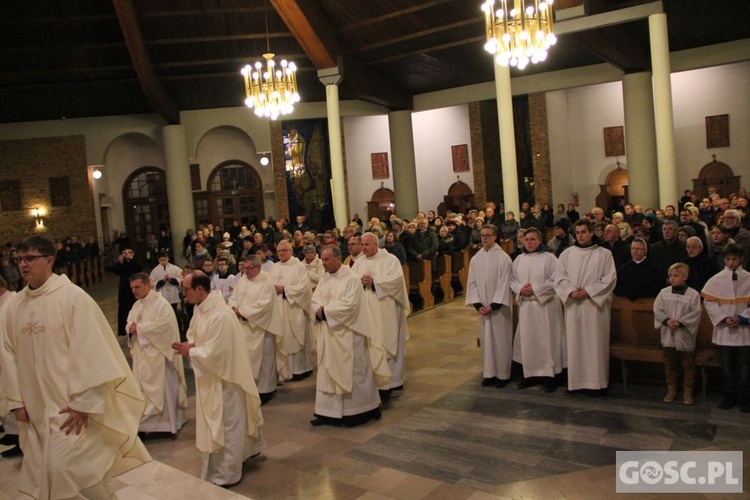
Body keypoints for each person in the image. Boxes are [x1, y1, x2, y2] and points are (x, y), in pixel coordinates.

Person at [2, 236, 150, 498]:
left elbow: (92, 351)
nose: (23, 265)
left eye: (30, 258)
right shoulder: (14, 305)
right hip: (35, 407)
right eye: (19, 259)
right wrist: (16, 401)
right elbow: (8, 353)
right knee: (53, 473)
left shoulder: (72, 298)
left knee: (72, 471)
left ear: (49, 260)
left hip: (69, 406)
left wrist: (86, 402)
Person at [172, 271, 264, 486]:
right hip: (209, 379)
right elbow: (194, 334)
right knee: (214, 424)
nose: (184, 293)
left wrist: (192, 352)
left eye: (186, 289)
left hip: (225, 381)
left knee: (227, 425)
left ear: (200, 289)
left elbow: (218, 353)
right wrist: (192, 345)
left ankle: (227, 473)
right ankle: (214, 469)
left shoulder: (220, 315)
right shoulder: (200, 309)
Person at [310, 245, 390, 427]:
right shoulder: (325, 278)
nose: (323, 263)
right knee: (327, 371)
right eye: (322, 259)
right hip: (328, 333)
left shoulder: (352, 279)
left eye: (327, 259)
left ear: (338, 258)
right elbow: (314, 299)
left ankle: (358, 411)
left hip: (348, 334)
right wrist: (319, 310)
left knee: (354, 371)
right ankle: (327, 412)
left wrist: (325, 311)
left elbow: (350, 306)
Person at [554, 219, 617, 397]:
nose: (580, 235)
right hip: (574, 305)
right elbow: (560, 278)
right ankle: (576, 383)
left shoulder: (604, 254)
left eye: (584, 232)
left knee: (595, 344)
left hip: (594, 307)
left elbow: (609, 278)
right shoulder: (566, 254)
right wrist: (571, 291)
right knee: (575, 343)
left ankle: (597, 384)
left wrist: (589, 291)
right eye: (578, 232)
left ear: (591, 233)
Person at [126, 272, 187, 435]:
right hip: (142, 355)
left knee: (163, 389)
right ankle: (147, 425)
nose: (134, 291)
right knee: (143, 390)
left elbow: (165, 327)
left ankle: (166, 425)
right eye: (132, 287)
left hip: (160, 355)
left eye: (137, 287)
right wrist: (131, 328)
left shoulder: (161, 304)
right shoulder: (136, 305)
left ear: (148, 285)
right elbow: (129, 322)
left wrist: (139, 328)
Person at [352, 233, 410, 403]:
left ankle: (391, 383)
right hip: (366, 310)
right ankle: (375, 383)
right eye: (361, 244)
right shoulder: (359, 262)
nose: (363, 248)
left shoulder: (390, 260)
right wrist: (360, 282)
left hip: (385, 309)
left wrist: (375, 282)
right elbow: (351, 281)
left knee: (386, 342)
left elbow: (397, 282)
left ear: (376, 244)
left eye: (367, 244)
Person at [510, 228, 566, 393]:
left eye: (532, 239)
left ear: (540, 241)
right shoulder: (519, 259)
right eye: (526, 239)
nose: (529, 242)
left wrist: (534, 288)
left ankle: (549, 377)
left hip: (545, 307)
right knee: (528, 341)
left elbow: (556, 280)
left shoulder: (550, 258)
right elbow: (512, 280)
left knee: (546, 342)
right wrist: (521, 288)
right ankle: (529, 375)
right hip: (527, 306)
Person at [229, 256, 287, 405]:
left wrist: (242, 312)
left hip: (262, 327)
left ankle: (265, 390)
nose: (246, 271)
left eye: (249, 268)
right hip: (244, 327)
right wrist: (234, 308)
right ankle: (250, 387)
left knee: (264, 359)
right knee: (247, 358)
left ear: (258, 268)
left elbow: (264, 306)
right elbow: (233, 297)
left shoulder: (266, 283)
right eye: (244, 268)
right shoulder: (243, 280)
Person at [701, 244, 750, 412]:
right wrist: (724, 318)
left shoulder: (748, 278)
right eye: (728, 259)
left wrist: (743, 318)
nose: (731, 262)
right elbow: (709, 302)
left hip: (745, 329)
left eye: (734, 259)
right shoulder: (717, 279)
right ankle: (729, 395)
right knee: (728, 364)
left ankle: (744, 396)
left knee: (745, 365)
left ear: (741, 258)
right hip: (725, 329)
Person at [466, 224, 513, 388]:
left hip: (498, 309)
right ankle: (489, 373)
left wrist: (494, 305)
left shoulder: (503, 258)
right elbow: (471, 283)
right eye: (483, 235)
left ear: (495, 237)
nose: (485, 238)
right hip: (483, 309)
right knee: (486, 341)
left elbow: (504, 284)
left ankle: (502, 374)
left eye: (488, 235)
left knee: (500, 341)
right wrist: (478, 304)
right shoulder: (476, 258)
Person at [653, 263, 702, 405]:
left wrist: (680, 323)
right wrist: (667, 321)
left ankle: (688, 391)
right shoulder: (664, 293)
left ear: (685, 276)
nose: (672, 279)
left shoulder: (693, 294)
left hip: (685, 333)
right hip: (668, 331)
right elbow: (658, 309)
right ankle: (672, 389)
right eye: (670, 276)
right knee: (669, 363)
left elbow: (696, 313)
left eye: (676, 275)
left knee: (688, 364)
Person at [270, 240, 315, 380]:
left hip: (294, 307)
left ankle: (301, 369)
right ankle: (284, 371)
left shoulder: (299, 267)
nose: (282, 253)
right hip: (278, 308)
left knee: (294, 336)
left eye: (284, 250)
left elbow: (304, 288)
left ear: (291, 251)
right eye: (279, 251)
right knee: (282, 338)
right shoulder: (274, 267)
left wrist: (284, 290)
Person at [0, 276, 20, 457]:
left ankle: (19, 438)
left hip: (13, 360)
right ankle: (13, 434)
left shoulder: (8, 305)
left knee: (12, 395)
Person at [113, 246, 142, 336]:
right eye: (125, 253)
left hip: (134, 290)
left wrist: (131, 258)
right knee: (124, 311)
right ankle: (126, 329)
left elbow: (139, 268)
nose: (127, 255)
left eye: (129, 252)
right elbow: (116, 271)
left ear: (132, 253)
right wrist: (120, 262)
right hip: (124, 289)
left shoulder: (134, 261)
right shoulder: (123, 263)